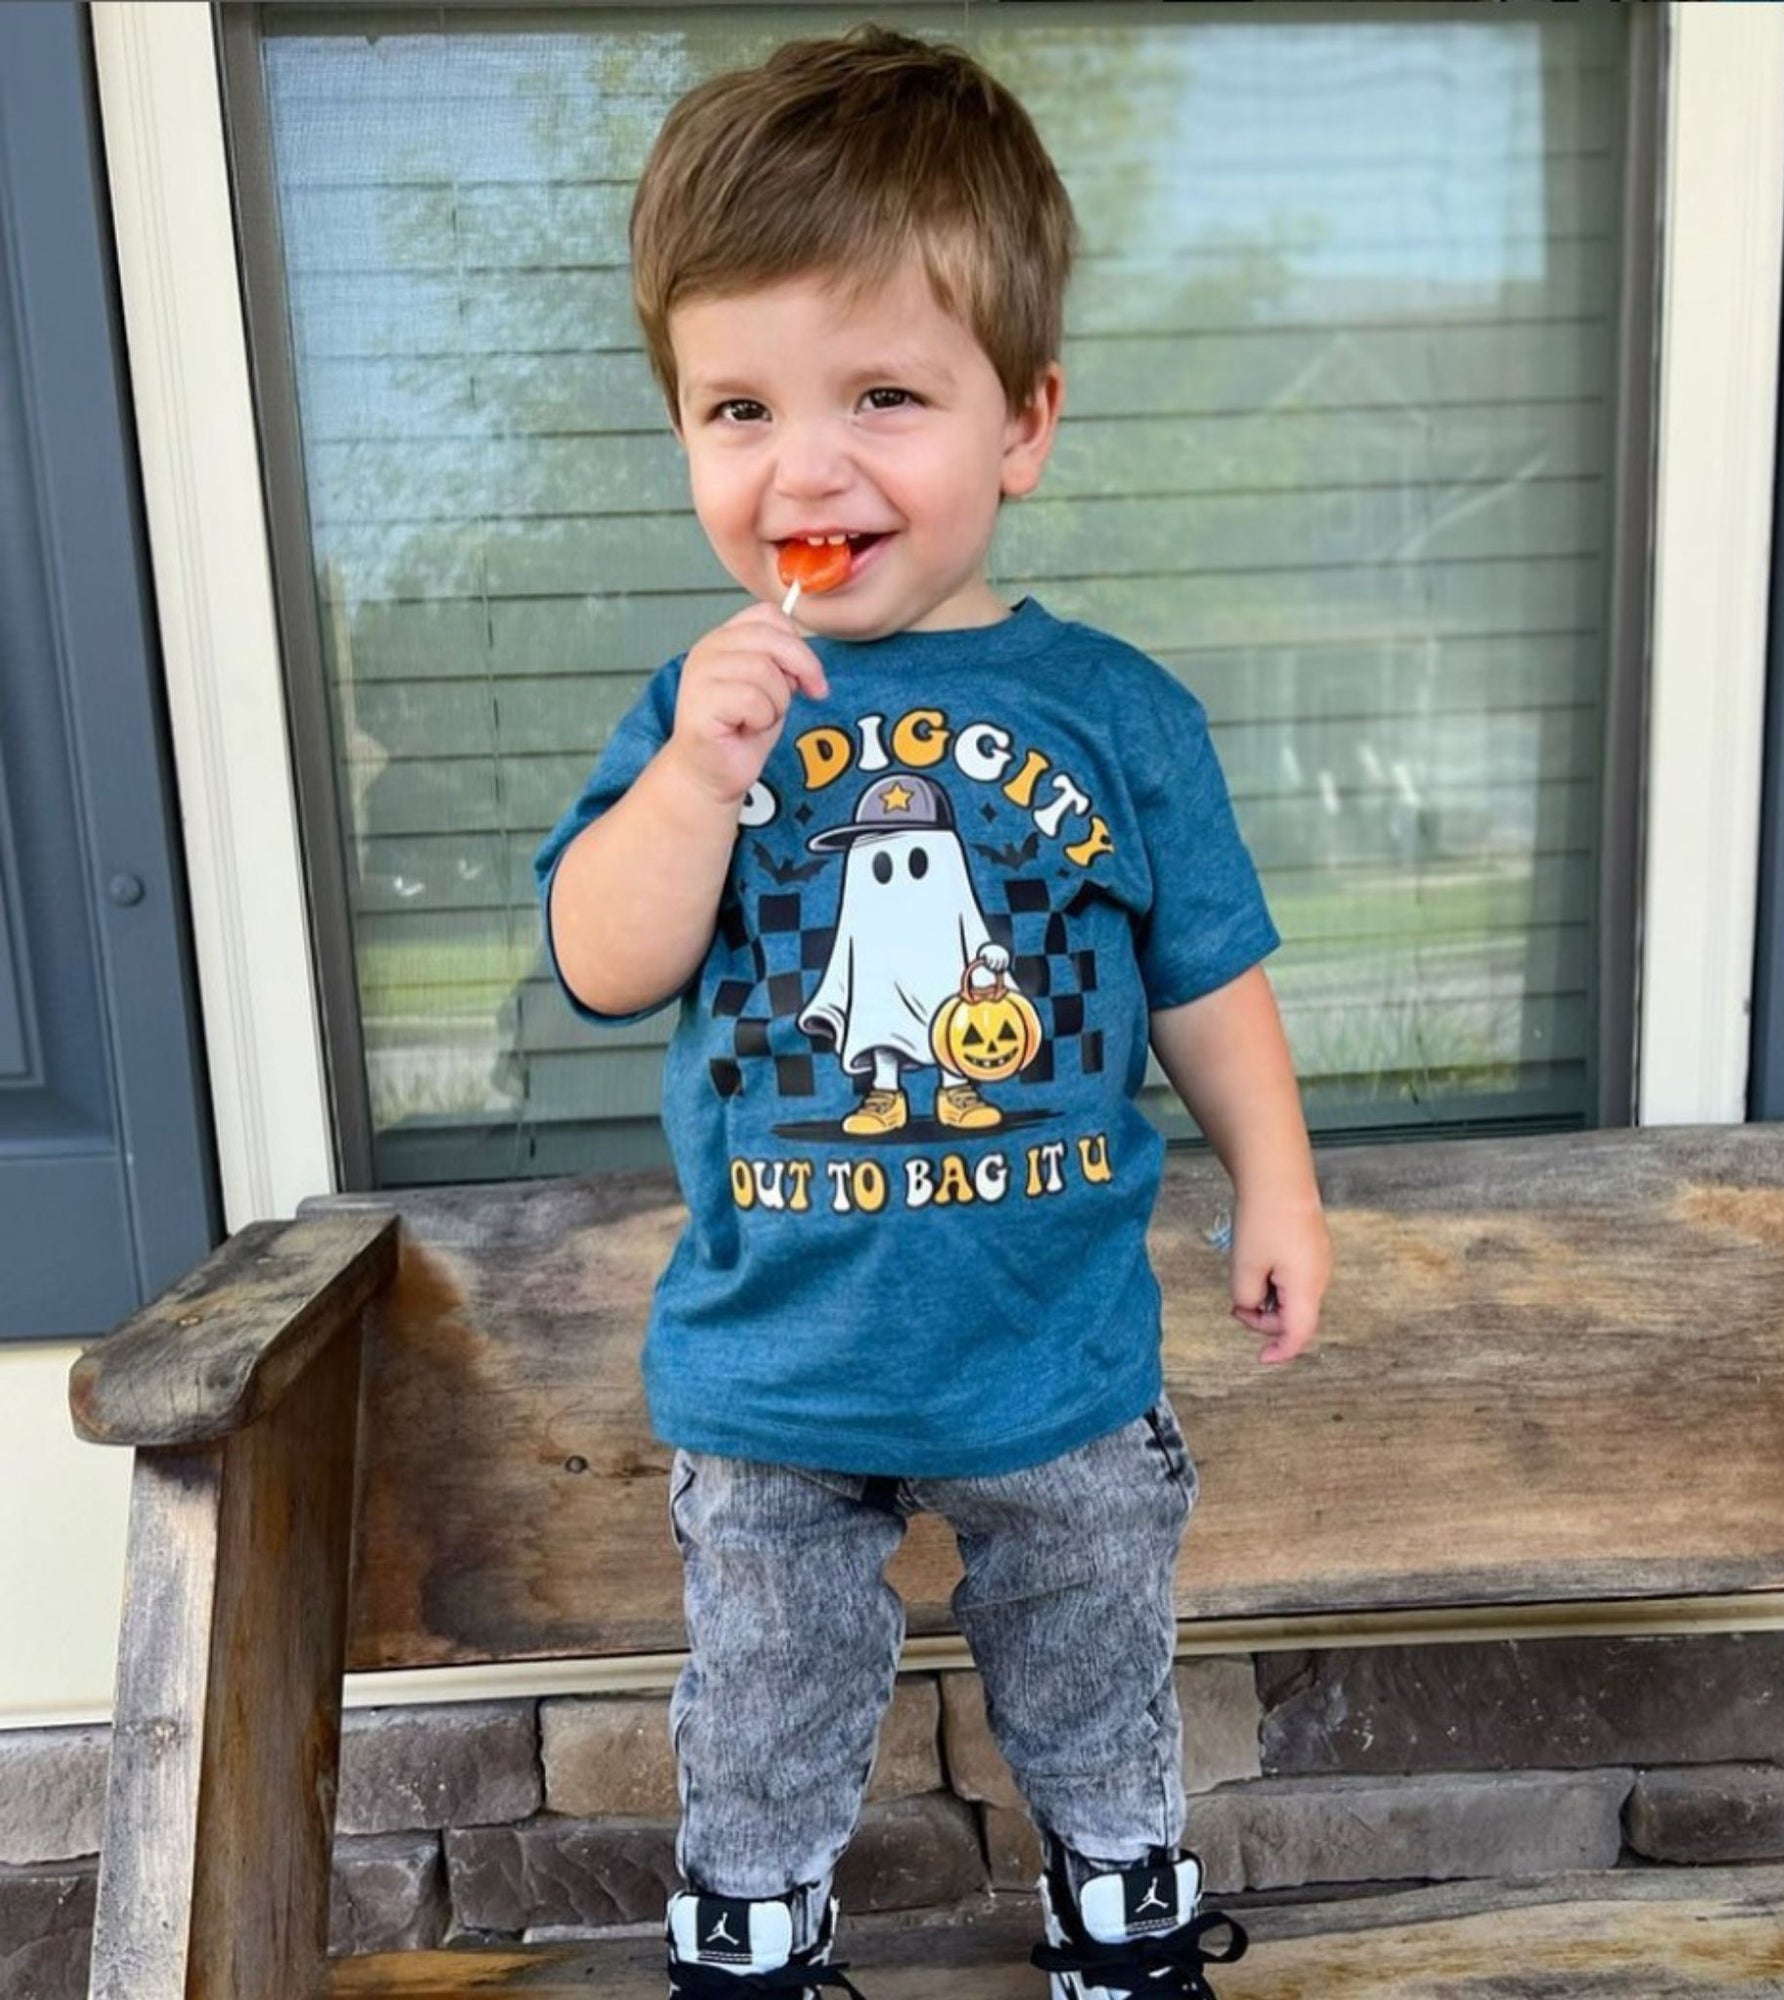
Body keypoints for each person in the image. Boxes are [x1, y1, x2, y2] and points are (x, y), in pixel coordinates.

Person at [533, 26, 1335, 1999]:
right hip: (774, 1371)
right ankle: (751, 1929)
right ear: (684, 437)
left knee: (1087, 1643)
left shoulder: (1118, 714)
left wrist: (1278, 1187)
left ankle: (1117, 1899)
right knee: (770, 1680)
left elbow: (1207, 977)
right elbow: (602, 955)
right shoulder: (697, 710)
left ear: (1021, 423)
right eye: (736, 406)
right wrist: (694, 784)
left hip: (1050, 1355)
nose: (803, 465)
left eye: (881, 394)